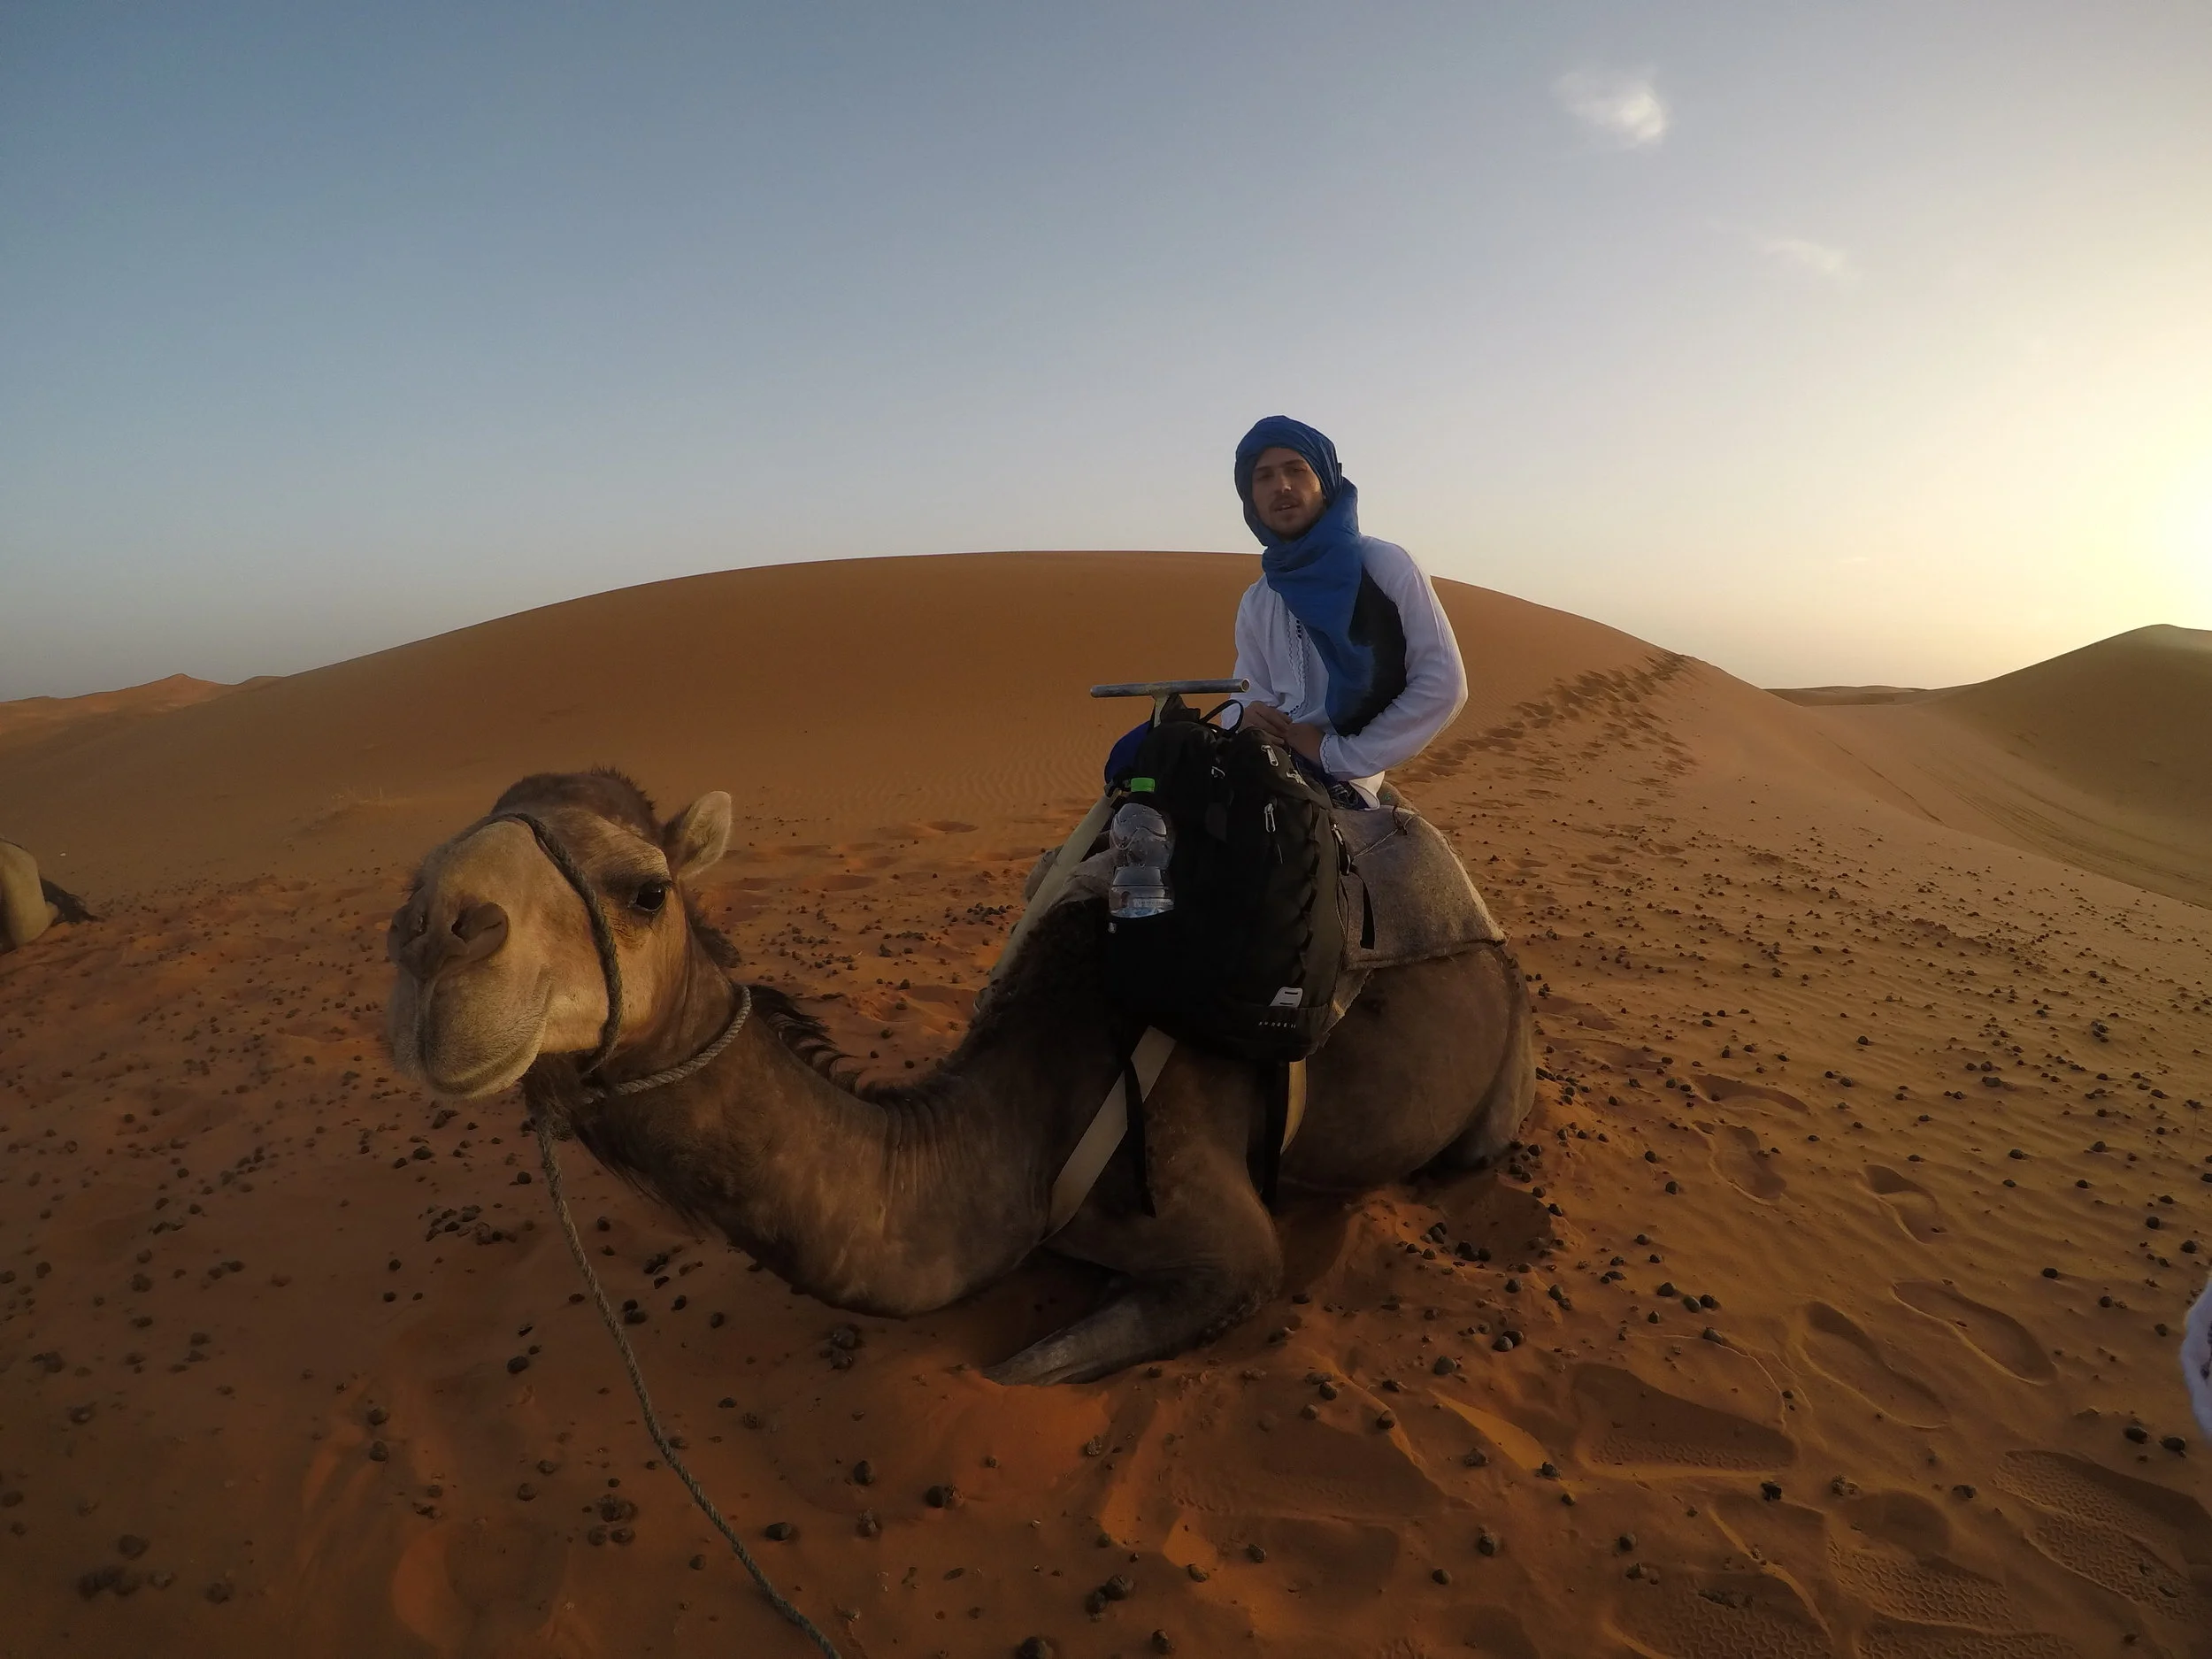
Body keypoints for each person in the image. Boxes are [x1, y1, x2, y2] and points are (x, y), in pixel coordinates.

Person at [1220, 416, 1466, 808]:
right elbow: (1247, 691)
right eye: (1263, 477)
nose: (1281, 486)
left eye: (1296, 470)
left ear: (1324, 480)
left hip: (1340, 776)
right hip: (1260, 758)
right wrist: (1246, 717)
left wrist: (1338, 755)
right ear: (1250, 497)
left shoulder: (1384, 565)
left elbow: (1442, 684)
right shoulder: (1259, 598)